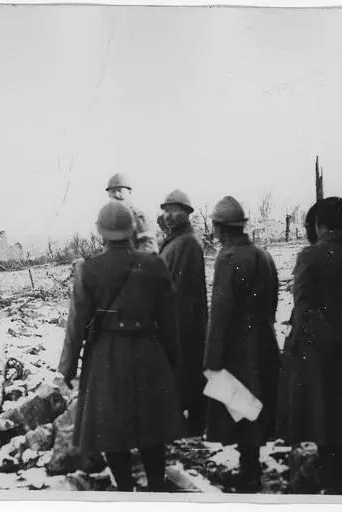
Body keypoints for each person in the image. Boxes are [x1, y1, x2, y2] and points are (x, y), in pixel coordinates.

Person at [57, 201, 184, 492]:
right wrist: (172, 362)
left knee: (111, 429)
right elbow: (169, 322)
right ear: (132, 230)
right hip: (148, 352)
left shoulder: (88, 269)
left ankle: (125, 490)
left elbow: (75, 326)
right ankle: (155, 487)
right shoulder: (154, 264)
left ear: (100, 233)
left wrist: (65, 370)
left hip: (106, 356)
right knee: (152, 427)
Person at [279, 197, 342, 495]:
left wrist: (328, 340)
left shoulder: (309, 257)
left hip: (324, 359)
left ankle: (335, 493)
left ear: (320, 225)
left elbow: (304, 309)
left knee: (328, 429)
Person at [203, 196, 280, 493]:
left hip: (237, 348)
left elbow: (220, 313)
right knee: (257, 405)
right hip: (264, 341)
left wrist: (211, 358)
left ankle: (248, 475)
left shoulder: (228, 258)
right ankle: (252, 467)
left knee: (241, 406)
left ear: (220, 228)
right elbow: (272, 302)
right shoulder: (264, 255)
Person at [158, 190, 208, 437]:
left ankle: (195, 421)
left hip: (184, 320)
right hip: (174, 318)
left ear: (187, 212)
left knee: (189, 371)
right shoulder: (175, 240)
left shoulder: (187, 242)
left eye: (173, 210)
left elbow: (183, 289)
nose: (168, 215)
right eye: (165, 210)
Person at [106, 173, 159, 254]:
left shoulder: (139, 218)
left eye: (120, 190)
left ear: (129, 192)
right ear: (109, 194)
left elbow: (149, 251)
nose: (116, 194)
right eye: (113, 191)